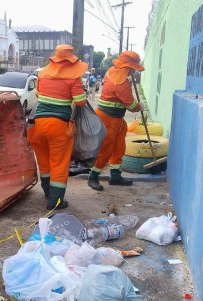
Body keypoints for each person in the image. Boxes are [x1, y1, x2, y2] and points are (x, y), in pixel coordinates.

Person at [27, 44, 88, 210]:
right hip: (58, 126)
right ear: (70, 60)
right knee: (59, 163)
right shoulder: (73, 78)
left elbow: (38, 94)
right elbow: (80, 101)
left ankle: (47, 192)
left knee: (44, 161)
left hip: (37, 124)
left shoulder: (43, 74)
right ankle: (56, 201)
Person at [87, 51, 144, 191]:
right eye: (133, 69)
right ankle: (93, 176)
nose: (133, 71)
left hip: (117, 120)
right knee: (105, 149)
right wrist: (139, 106)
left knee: (119, 147)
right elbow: (130, 105)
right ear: (128, 67)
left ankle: (115, 176)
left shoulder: (112, 72)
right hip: (107, 119)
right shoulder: (122, 83)